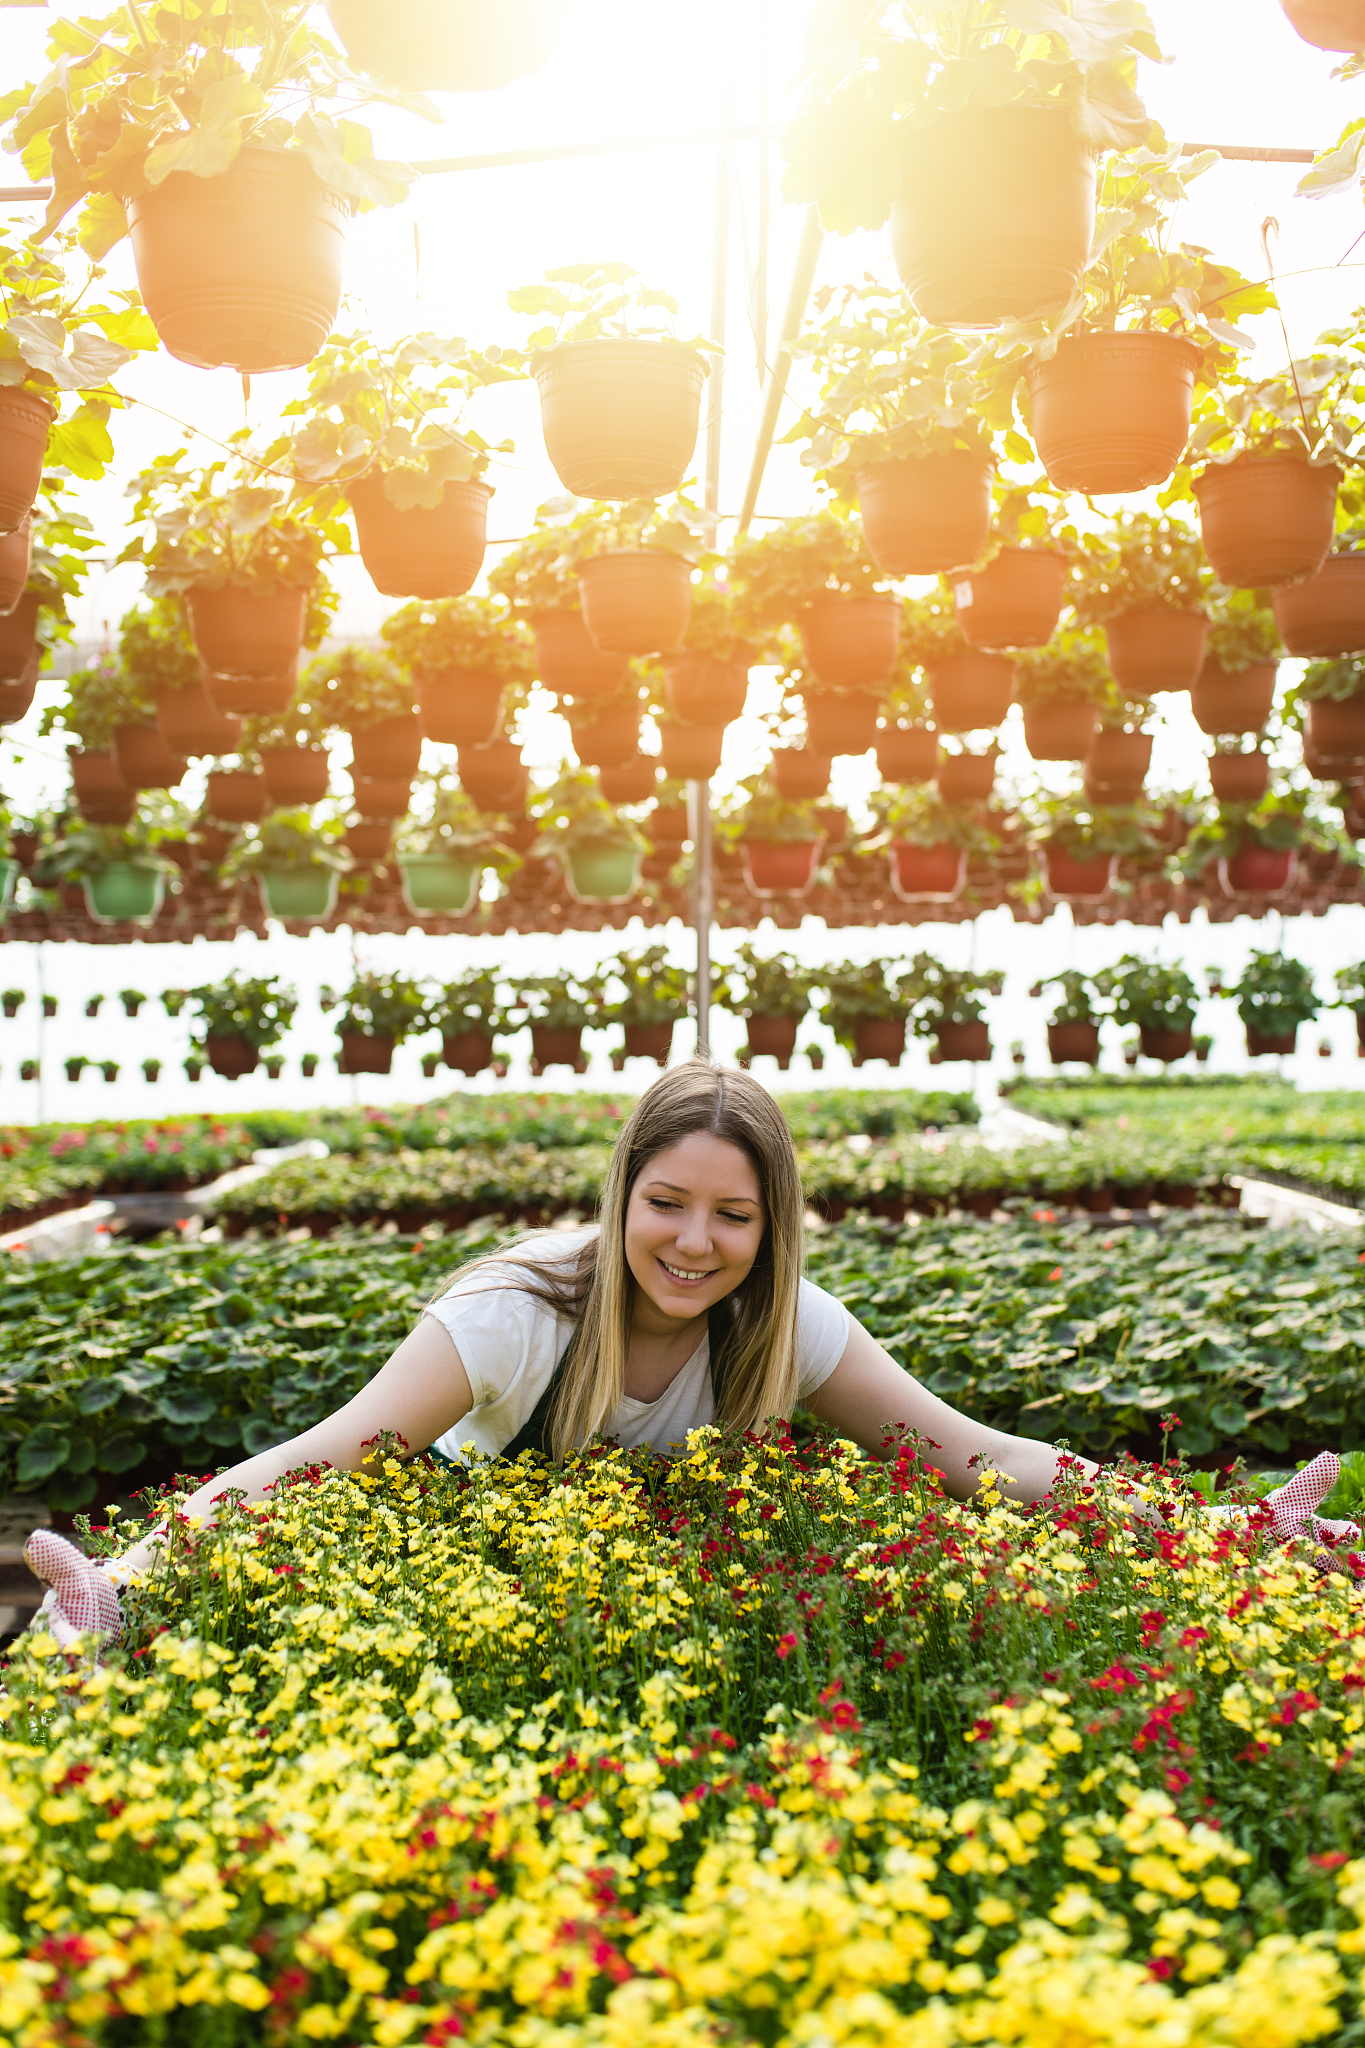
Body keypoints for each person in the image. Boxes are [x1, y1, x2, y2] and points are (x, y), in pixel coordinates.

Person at [23, 1061, 1360, 1646]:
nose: (693, 1242)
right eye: (667, 1204)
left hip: (683, 1606)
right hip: (507, 1606)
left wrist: (1215, 1532)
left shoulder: (789, 1327)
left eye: (733, 1216)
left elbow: (987, 1462)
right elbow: (311, 1464)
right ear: (618, 1199)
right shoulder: (509, 1318)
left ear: (771, 1229)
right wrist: (124, 1587)